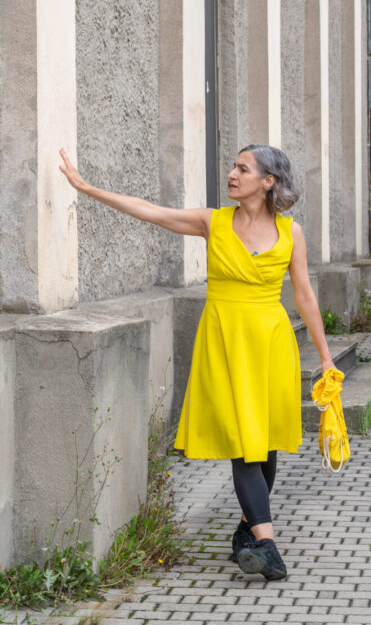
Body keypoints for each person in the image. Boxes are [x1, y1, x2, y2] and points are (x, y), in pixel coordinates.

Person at [58, 144, 331, 580]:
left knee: (266, 441)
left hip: (272, 341)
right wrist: (88, 188)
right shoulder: (213, 222)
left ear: (268, 181)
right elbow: (150, 211)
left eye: (243, 169)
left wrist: (325, 356)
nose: (232, 174)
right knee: (244, 444)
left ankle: (247, 531)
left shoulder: (290, 231)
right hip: (224, 340)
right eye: (233, 166)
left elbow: (304, 295)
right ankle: (267, 545)